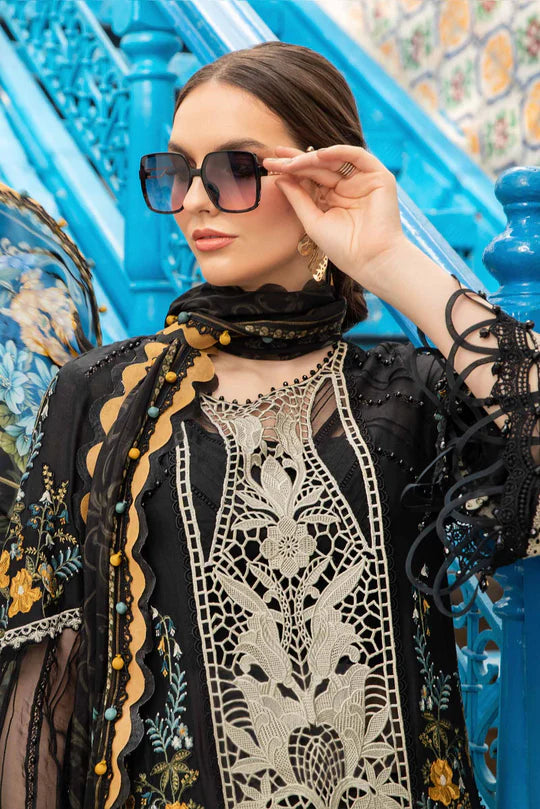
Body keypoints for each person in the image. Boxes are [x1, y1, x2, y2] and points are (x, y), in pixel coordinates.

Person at [0, 40, 537, 809]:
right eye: (178, 170)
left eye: (234, 169)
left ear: (321, 177)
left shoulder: (405, 393)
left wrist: (391, 257)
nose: (195, 199)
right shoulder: (102, 393)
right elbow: (44, 685)